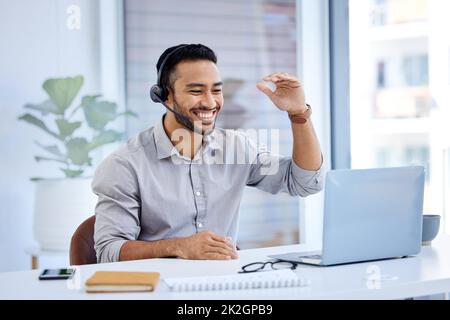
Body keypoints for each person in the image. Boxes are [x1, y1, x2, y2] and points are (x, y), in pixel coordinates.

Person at [93, 44, 324, 263]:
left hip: (222, 284)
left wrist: (298, 114)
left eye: (216, 90)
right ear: (165, 96)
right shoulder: (125, 165)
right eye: (196, 91)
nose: (210, 102)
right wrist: (178, 246)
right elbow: (109, 250)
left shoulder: (237, 148)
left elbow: (305, 183)